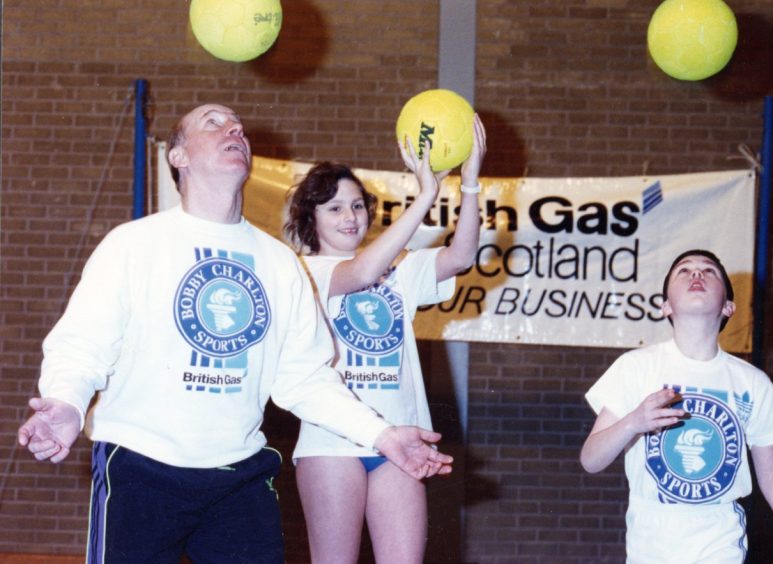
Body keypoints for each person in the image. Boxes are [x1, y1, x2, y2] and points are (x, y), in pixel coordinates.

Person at [16, 103, 452, 564]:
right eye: (213, 123)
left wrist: (382, 434)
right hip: (140, 468)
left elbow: (306, 379)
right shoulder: (133, 244)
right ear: (179, 158)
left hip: (238, 478)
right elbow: (81, 345)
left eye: (238, 126)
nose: (234, 129)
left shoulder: (279, 263)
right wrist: (65, 401)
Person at [283, 115, 486, 563]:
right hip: (332, 442)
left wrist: (469, 185)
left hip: (402, 435)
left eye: (357, 205)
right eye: (334, 208)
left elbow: (462, 256)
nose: (350, 216)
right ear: (310, 217)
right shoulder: (304, 272)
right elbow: (361, 273)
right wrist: (426, 195)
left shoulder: (402, 267)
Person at [580, 249, 773, 564]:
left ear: (728, 307)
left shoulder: (752, 382)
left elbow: (772, 473)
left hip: (720, 541)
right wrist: (632, 423)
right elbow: (590, 460)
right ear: (665, 306)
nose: (696, 274)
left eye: (709, 271)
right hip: (650, 542)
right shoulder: (636, 367)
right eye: (684, 270)